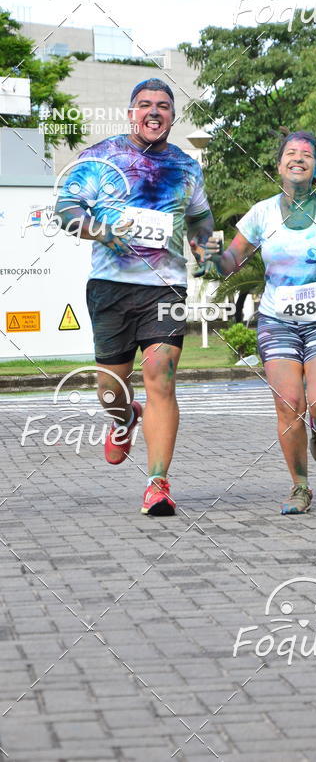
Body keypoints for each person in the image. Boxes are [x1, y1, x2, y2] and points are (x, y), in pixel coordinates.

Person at [55, 78, 214, 515]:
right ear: (131, 113)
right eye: (145, 105)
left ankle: (158, 483)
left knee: (161, 374)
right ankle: (124, 418)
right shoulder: (101, 157)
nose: (154, 112)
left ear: (172, 116)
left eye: (163, 106)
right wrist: (99, 231)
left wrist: (205, 247)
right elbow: (65, 209)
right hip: (110, 287)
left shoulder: (186, 167)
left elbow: (201, 224)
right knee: (110, 391)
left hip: (165, 286)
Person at [204, 131, 316, 514]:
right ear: (279, 164)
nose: (298, 159)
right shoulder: (261, 213)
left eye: (307, 155)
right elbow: (233, 260)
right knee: (288, 403)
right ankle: (300, 486)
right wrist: (214, 261)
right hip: (277, 320)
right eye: (291, 154)